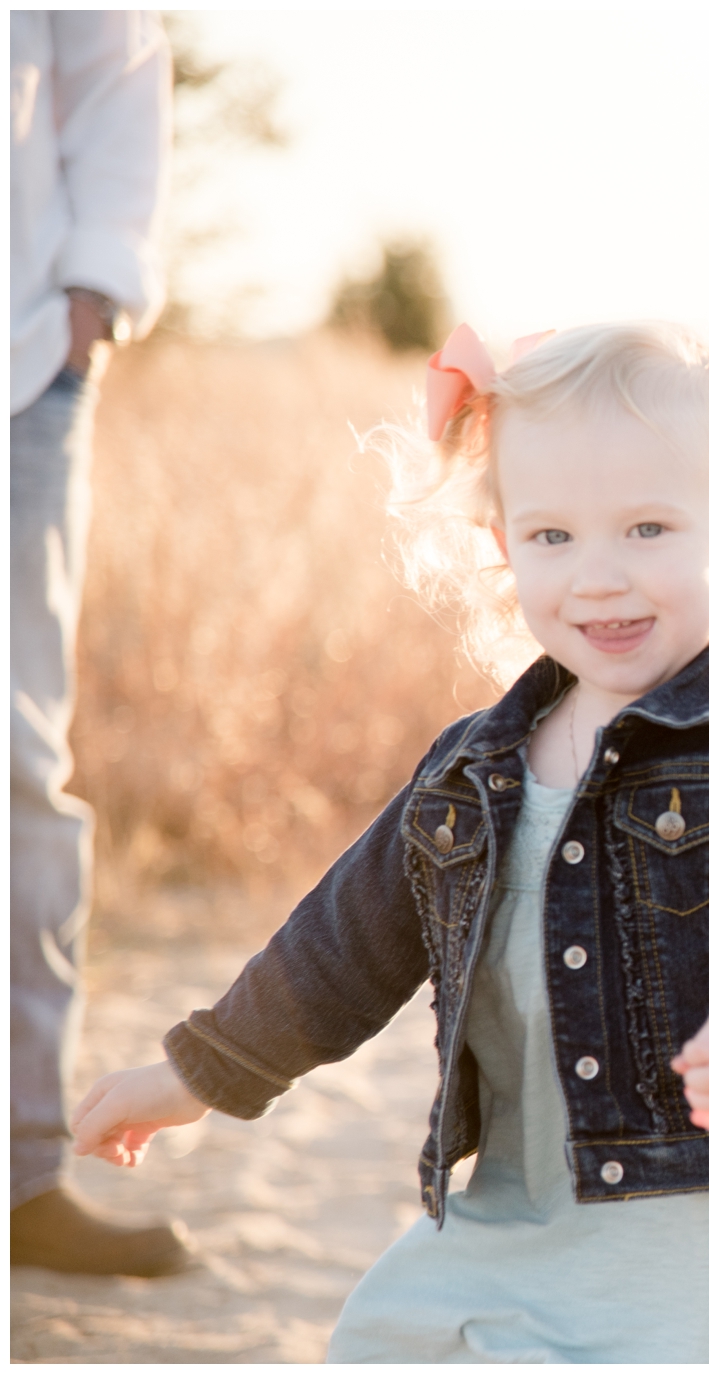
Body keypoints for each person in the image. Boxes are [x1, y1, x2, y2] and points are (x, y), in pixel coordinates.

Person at [70, 321, 709, 1361]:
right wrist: (200, 1074)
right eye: (552, 537)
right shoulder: (468, 772)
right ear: (501, 545)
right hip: (529, 1211)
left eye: (649, 529)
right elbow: (342, 949)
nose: (598, 578)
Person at [11, 10, 185, 1276]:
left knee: (14, 766)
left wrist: (94, 289)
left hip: (17, 363)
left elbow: (116, 51)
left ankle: (20, 1173)